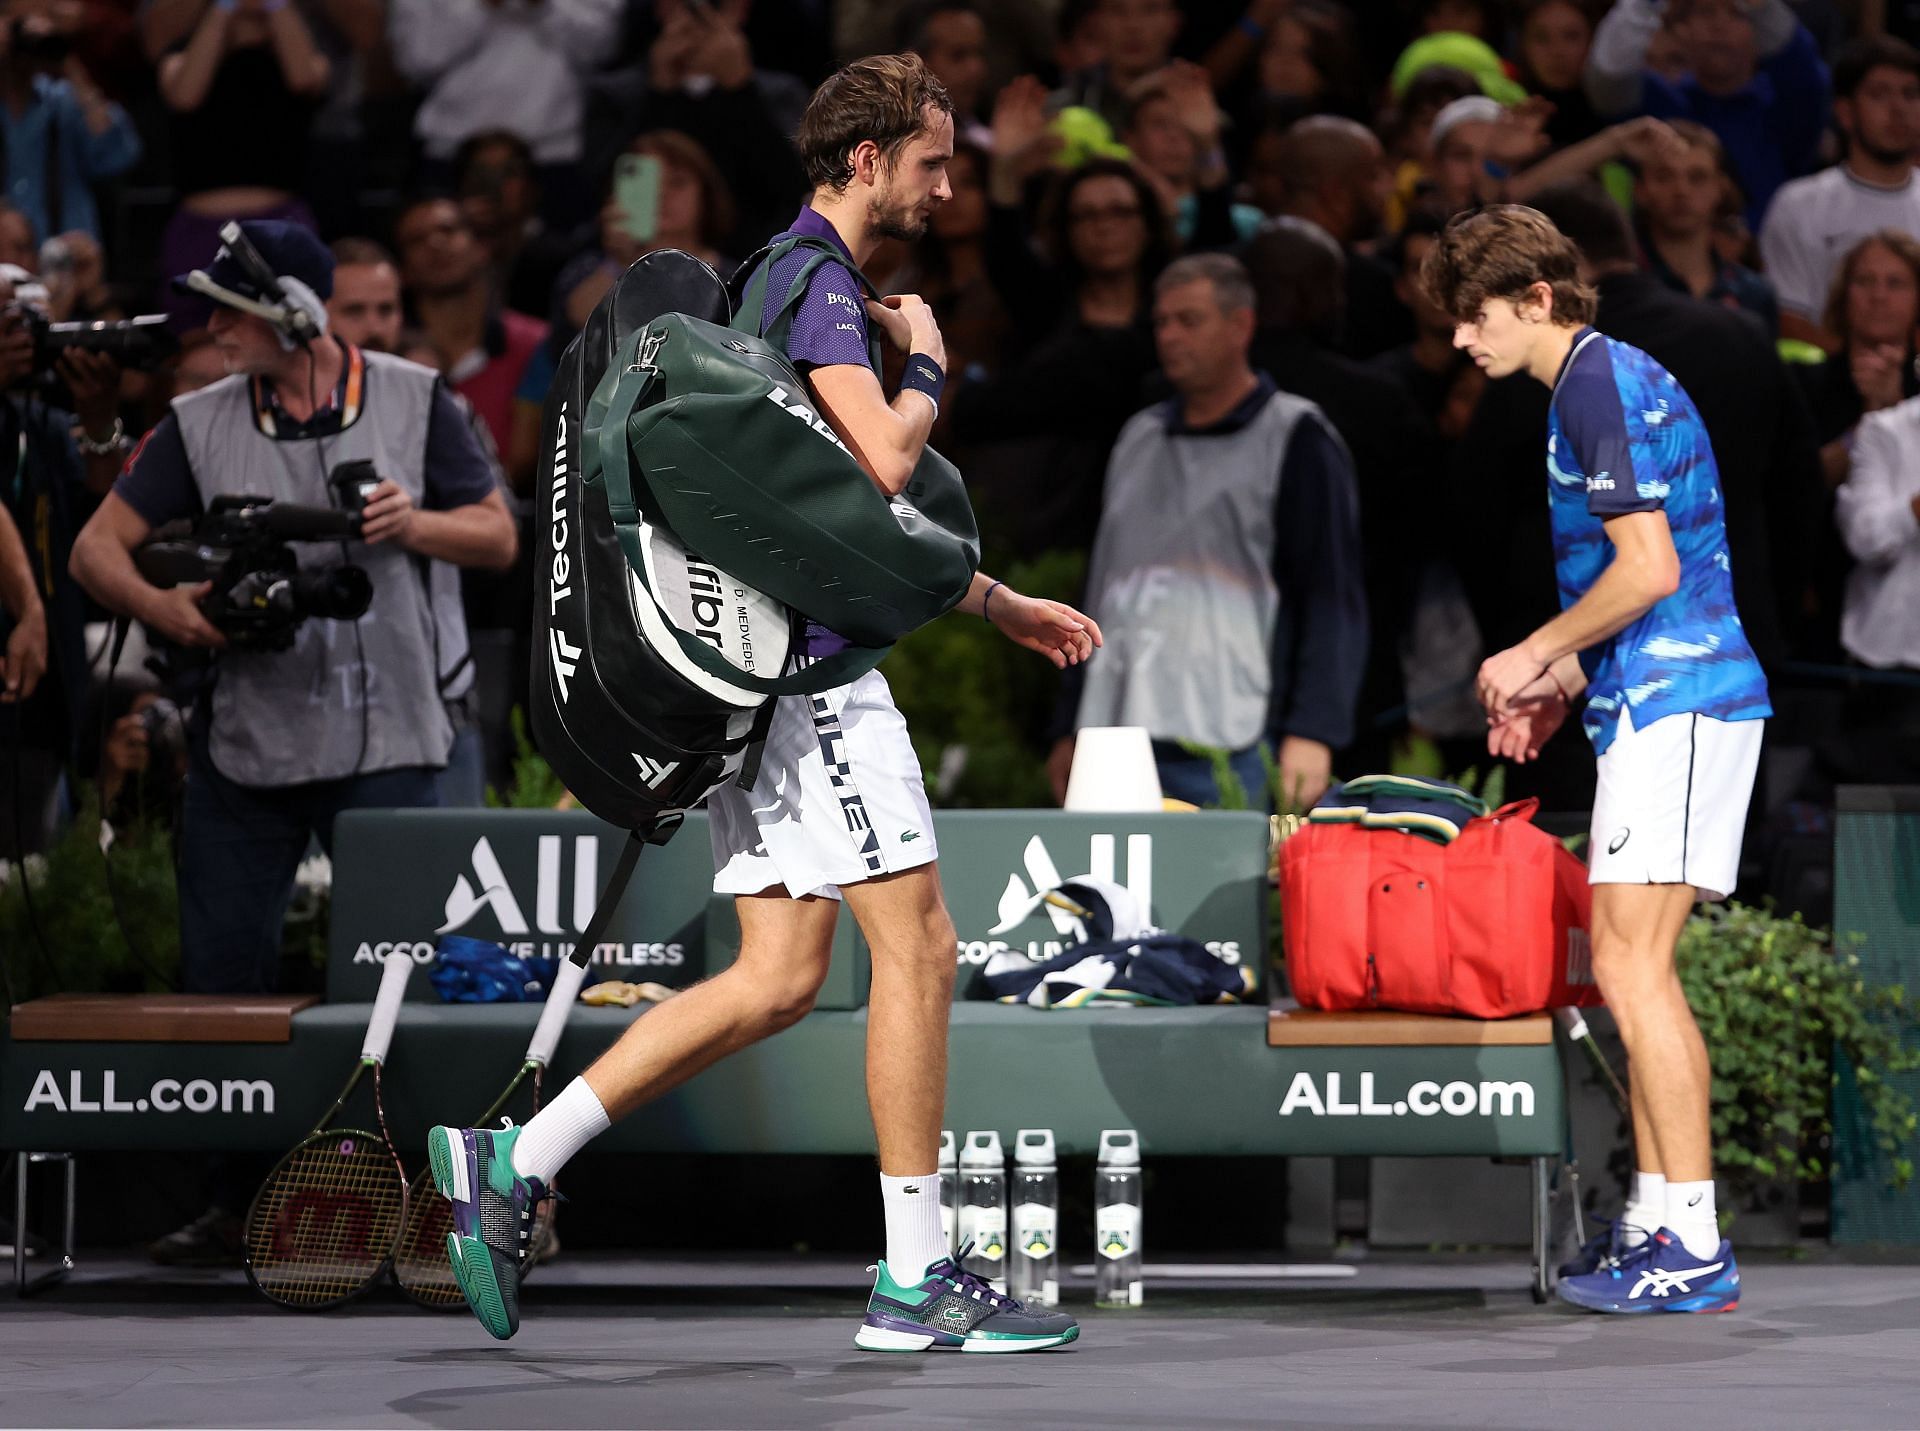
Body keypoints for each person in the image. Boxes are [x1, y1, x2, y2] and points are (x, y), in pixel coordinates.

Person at [428, 53, 1093, 1355]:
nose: (950, 184)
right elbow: (882, 461)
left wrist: (997, 602)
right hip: (815, 687)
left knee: (782, 975)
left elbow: (816, 525)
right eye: (932, 161)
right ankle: (916, 1276)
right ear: (864, 160)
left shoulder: (766, 279)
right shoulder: (827, 289)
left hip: (761, 678)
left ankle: (514, 1155)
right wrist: (933, 358)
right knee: (923, 948)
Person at [1423, 204, 1768, 1314]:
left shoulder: (1593, 384)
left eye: (1472, 319)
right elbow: (1658, 574)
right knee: (1633, 967)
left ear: (1535, 299)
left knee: (1631, 969)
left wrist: (1530, 650)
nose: (1461, 343)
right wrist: (1559, 685)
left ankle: (1690, 1238)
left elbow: (1653, 568)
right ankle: (1663, 1223)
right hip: (1663, 701)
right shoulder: (1598, 380)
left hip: (1684, 702)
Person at [1052, 252, 1365, 810]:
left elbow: (1330, 594)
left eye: (1188, 320)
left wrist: (1315, 729)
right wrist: (1067, 724)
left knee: (1227, 895)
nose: (1170, 336)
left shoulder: (1294, 435)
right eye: (1162, 322)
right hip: (1117, 729)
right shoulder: (1137, 438)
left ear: (1241, 324)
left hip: (1235, 730)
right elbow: (1100, 590)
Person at [1583, 0, 1827, 228]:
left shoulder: (1782, 107)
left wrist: (1761, 7)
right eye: (1705, 12)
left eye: (1736, 13)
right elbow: (1609, 79)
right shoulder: (1661, 103)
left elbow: (1804, 74)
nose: (1718, 25)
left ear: (1758, 28)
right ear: (1684, 30)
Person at [387, 0, 621, 231]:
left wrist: (543, 6)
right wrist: (482, 7)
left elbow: (603, 49)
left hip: (552, 150)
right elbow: (417, 59)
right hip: (451, 148)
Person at [1758, 35, 1920, 351]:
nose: (1898, 108)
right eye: (1879, 95)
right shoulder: (1798, 205)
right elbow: (1789, 320)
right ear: (1845, 113)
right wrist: (1856, 372)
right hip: (1826, 390)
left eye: (1910, 94)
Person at [392, 196, 548, 489]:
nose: (435, 244)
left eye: (448, 230)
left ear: (481, 248)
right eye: (416, 240)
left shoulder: (535, 343)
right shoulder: (390, 355)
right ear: (403, 271)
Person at [0, 3, 141, 245]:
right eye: (16, 25)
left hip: (68, 264)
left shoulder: (65, 100)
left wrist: (67, 61)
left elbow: (119, 155)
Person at [1634, 119, 1778, 335]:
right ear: (1641, 190)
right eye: (1664, 177)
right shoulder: (1625, 287)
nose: (1681, 190)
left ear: (1720, 188)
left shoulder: (1753, 294)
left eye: (1697, 177)